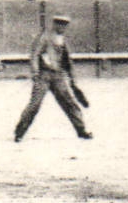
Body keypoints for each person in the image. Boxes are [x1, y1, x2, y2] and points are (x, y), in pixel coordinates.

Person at [14, 14, 92, 142]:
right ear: (55, 24)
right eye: (60, 24)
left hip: (58, 75)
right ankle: (19, 133)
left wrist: (73, 80)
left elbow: (67, 61)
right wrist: (35, 72)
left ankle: (81, 130)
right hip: (43, 75)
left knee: (70, 103)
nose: (63, 27)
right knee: (35, 104)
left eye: (65, 25)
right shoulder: (44, 37)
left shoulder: (62, 39)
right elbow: (35, 54)